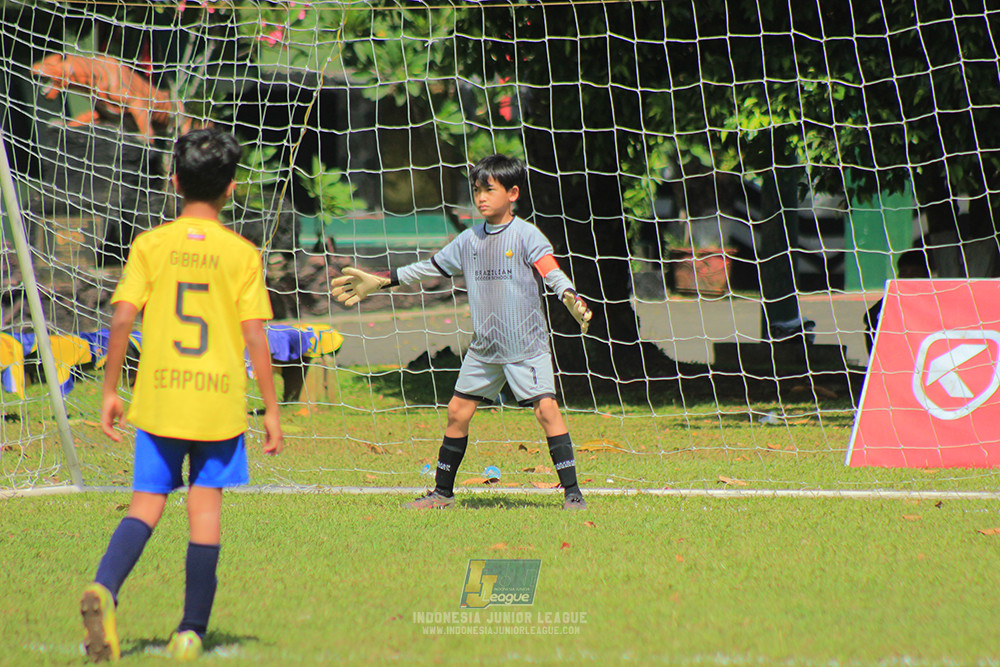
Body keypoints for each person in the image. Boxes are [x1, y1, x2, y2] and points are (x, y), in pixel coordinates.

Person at [81, 128, 283, 663]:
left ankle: (104, 588)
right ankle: (191, 631)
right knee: (205, 513)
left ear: (174, 182)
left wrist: (109, 389)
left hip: (161, 399)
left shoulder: (150, 244)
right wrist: (272, 408)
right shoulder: (242, 253)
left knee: (146, 504)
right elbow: (255, 335)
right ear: (232, 189)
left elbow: (122, 317)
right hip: (217, 405)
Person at [331, 154, 592, 511]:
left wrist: (568, 295)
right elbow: (428, 267)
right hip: (485, 349)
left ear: (513, 192)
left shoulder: (526, 234)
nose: (481, 197)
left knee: (547, 411)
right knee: (457, 412)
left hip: (526, 347)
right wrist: (381, 281)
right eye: (476, 190)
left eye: (489, 190)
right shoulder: (469, 240)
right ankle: (442, 493)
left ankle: (573, 494)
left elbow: (550, 270)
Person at [864, 247, 933, 355]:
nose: (909, 277)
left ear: (926, 274)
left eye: (914, 272)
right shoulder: (896, 294)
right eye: (904, 272)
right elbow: (869, 317)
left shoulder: (934, 295)